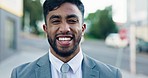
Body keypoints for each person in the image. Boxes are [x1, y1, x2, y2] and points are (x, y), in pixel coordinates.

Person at [11, 0, 122, 78]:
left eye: (72, 20)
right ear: (45, 29)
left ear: (83, 28)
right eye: (55, 21)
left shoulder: (112, 75)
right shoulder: (20, 75)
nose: (64, 29)